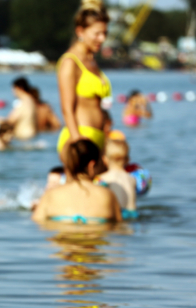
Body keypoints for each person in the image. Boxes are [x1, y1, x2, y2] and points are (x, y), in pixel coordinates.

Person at [56, 0, 111, 162]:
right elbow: (67, 109)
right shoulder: (70, 62)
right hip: (79, 138)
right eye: (97, 34)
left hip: (99, 138)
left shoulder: (92, 61)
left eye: (105, 33)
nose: (102, 39)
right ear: (80, 31)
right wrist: (78, 143)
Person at [32, 139, 122, 225]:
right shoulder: (108, 196)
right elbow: (118, 228)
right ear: (92, 165)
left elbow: (37, 224)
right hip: (95, 240)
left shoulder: (50, 195)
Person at [97, 134, 137, 219]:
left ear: (104, 159)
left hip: (117, 214)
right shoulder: (132, 179)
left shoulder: (102, 178)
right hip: (133, 214)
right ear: (127, 160)